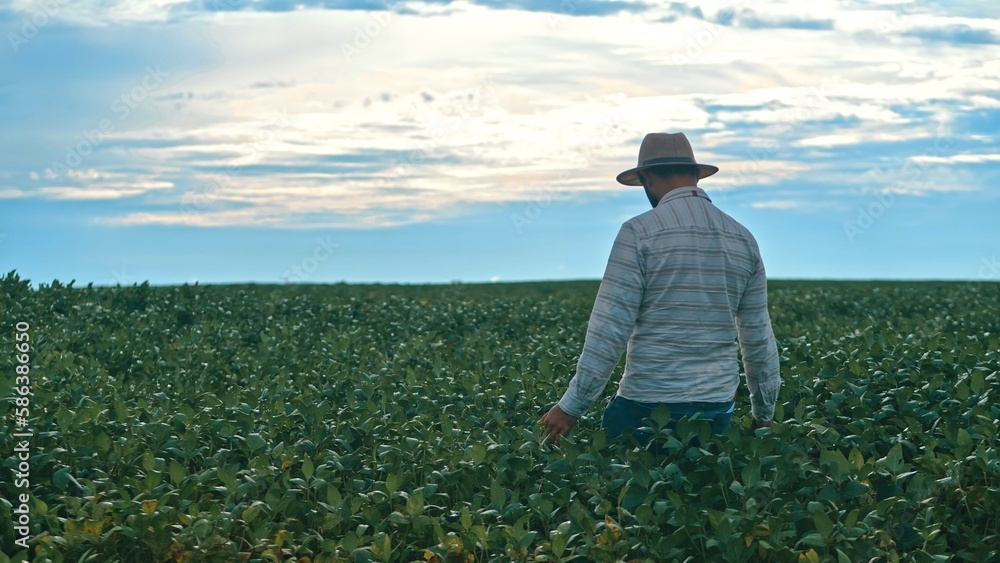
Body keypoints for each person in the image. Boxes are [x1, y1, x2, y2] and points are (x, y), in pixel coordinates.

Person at [538, 132, 781, 447]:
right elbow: (758, 337)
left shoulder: (639, 233)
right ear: (696, 175)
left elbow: (609, 331)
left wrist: (570, 407)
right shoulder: (743, 239)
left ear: (647, 178)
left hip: (646, 408)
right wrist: (764, 414)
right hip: (717, 411)